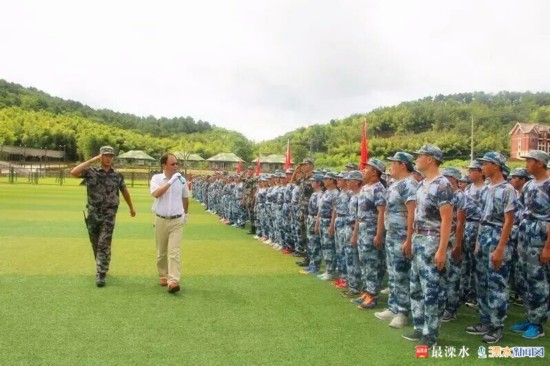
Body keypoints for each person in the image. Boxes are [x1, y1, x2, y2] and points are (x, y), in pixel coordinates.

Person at [402, 144, 452, 347]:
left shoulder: (442, 185)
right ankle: (419, 326)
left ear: (430, 159)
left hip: (432, 241)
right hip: (418, 239)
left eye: (420, 156)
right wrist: (410, 239)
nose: (417, 159)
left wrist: (441, 249)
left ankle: (431, 334)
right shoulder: (422, 184)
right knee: (415, 286)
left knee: (431, 290)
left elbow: (447, 219)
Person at [465, 152, 516, 344]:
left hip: (497, 237)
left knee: (497, 284)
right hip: (484, 236)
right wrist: (478, 242)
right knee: (482, 282)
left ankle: (497, 326)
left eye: (485, 164)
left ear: (496, 166)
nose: (482, 168)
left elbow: (509, 221)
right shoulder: (486, 189)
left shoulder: (507, 189)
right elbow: (481, 219)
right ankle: (485, 321)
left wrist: (501, 248)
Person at [70, 145, 136, 287]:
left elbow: (124, 191)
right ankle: (101, 264)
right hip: (93, 213)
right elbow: (73, 172)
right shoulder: (91, 172)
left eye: (110, 156)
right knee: (95, 242)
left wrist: (131, 207)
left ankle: (101, 273)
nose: (108, 158)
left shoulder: (117, 175)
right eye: (105, 155)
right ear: (100, 157)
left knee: (103, 243)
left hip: (109, 214)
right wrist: (92, 160)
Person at [511, 150, 550, 339]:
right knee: (524, 279)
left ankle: (538, 323)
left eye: (529, 161)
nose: (526, 164)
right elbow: (520, 211)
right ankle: (529, 316)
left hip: (541, 236)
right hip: (525, 235)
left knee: (538, 281)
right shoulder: (528, 186)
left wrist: (548, 247)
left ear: (540, 163)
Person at [375, 152, 417, 328]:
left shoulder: (409, 184)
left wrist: (409, 239)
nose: (390, 166)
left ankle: (402, 312)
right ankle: (393, 307)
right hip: (392, 235)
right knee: (393, 273)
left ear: (402, 165)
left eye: (393, 163)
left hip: (402, 236)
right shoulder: (394, 185)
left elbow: (412, 213)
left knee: (401, 274)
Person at [150, 153, 190, 294]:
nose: (175, 166)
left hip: (176, 220)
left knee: (174, 252)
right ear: (164, 165)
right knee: (161, 252)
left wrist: (186, 213)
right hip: (161, 219)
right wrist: (170, 181)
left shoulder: (181, 180)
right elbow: (156, 194)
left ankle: (173, 281)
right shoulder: (157, 178)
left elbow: (185, 197)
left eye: (176, 164)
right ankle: (163, 274)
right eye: (172, 164)